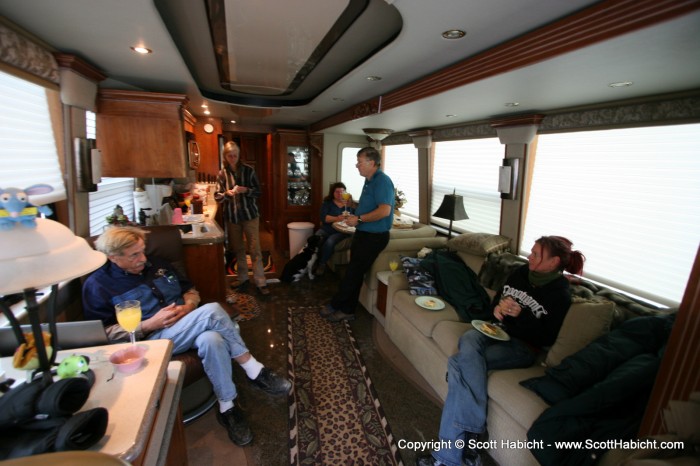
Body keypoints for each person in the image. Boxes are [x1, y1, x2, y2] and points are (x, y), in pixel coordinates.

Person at [82, 226, 291, 446]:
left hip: (185, 327)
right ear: (113, 257)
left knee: (213, 340)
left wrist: (189, 306)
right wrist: (147, 324)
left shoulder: (158, 265)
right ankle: (253, 369)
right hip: (150, 342)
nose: (143, 258)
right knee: (212, 311)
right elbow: (104, 333)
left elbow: (190, 291)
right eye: (134, 255)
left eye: (143, 251)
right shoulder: (98, 285)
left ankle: (227, 407)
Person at [417, 236, 585, 466]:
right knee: (468, 339)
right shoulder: (520, 273)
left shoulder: (560, 294)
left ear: (554, 261)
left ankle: (451, 456)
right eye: (532, 252)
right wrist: (498, 308)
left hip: (522, 346)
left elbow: (546, 337)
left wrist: (521, 315)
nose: (530, 257)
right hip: (493, 331)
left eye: (536, 254)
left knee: (459, 365)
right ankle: (470, 443)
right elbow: (498, 298)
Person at [322, 147, 394, 322]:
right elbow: (369, 207)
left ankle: (343, 308)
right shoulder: (369, 180)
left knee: (353, 273)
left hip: (374, 237)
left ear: (371, 162)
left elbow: (385, 210)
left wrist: (359, 219)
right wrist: (353, 205)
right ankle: (342, 306)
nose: (357, 165)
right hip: (364, 234)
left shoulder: (382, 181)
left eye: (360, 161)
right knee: (353, 272)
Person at [215, 141, 269, 295]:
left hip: (250, 215)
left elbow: (259, 192)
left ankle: (260, 281)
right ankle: (243, 278)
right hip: (232, 217)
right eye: (229, 155)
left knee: (255, 249)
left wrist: (246, 190)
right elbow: (217, 197)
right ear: (225, 156)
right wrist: (226, 194)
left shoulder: (249, 171)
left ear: (239, 155)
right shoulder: (221, 173)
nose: (232, 158)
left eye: (235, 155)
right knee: (238, 249)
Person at [314, 182, 355, 275]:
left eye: (342, 192)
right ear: (332, 193)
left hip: (342, 231)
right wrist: (337, 218)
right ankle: (312, 260)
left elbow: (355, 217)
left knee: (330, 241)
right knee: (316, 237)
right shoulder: (328, 203)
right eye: (337, 192)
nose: (340, 194)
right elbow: (324, 218)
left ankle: (322, 264)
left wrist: (350, 214)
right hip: (327, 228)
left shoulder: (349, 204)